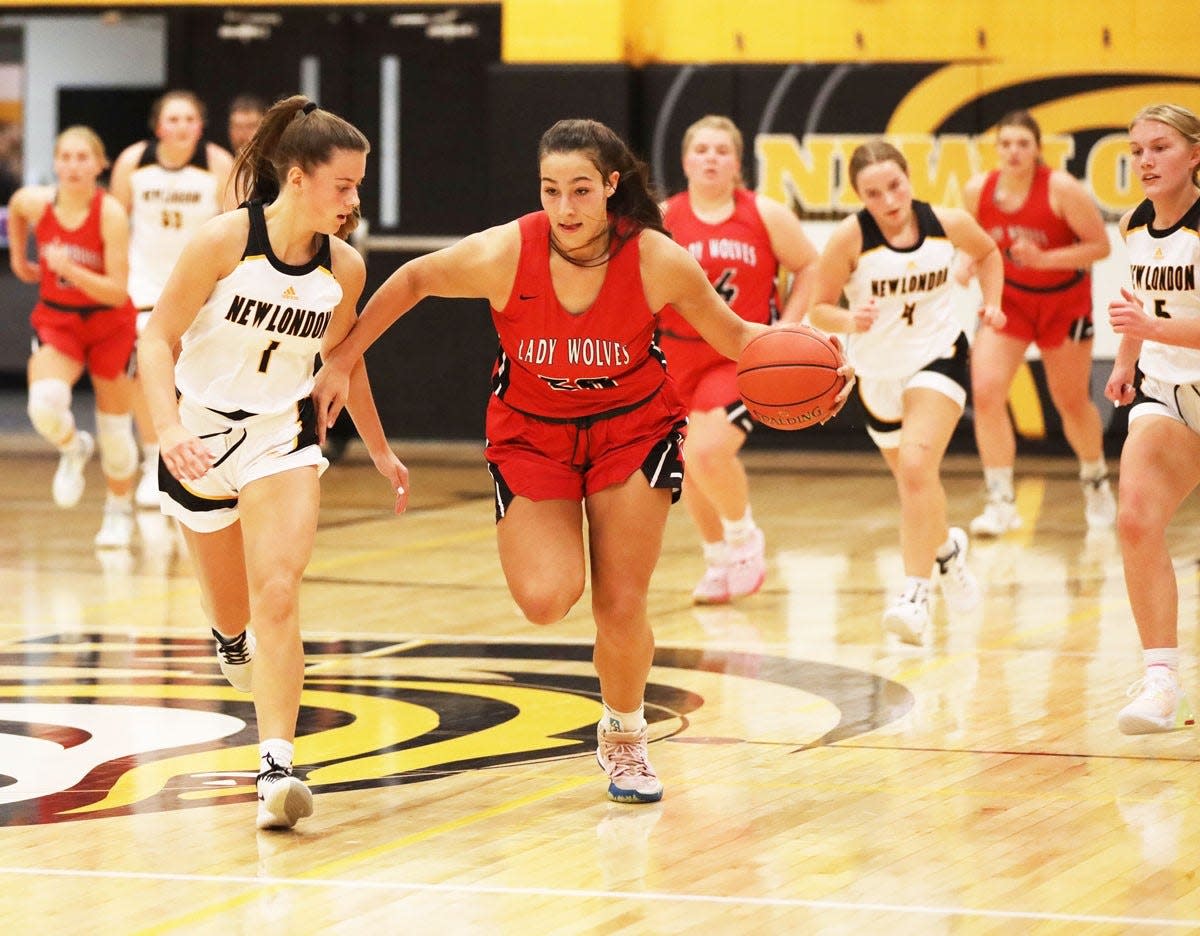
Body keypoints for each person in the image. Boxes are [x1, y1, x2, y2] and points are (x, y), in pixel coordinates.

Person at [311, 117, 851, 804]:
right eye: (551, 191)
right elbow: (414, 278)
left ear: (611, 187)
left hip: (633, 431)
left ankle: (625, 738)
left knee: (621, 600)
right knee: (545, 599)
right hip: (532, 434)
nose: (565, 209)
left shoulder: (655, 257)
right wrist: (342, 354)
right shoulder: (508, 251)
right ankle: (616, 719)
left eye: (581, 191)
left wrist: (823, 372)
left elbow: (743, 337)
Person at [137, 95, 407, 829]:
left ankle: (277, 768)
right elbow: (156, 340)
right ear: (296, 177)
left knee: (279, 591)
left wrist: (379, 450)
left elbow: (343, 361)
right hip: (196, 433)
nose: (354, 199)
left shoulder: (344, 268)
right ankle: (228, 639)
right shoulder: (223, 241)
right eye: (343, 184)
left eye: (358, 185)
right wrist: (165, 429)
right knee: (234, 617)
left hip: (279, 439)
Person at [808, 139, 1005, 646]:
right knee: (918, 489)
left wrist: (992, 303)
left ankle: (915, 594)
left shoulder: (947, 223)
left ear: (909, 179)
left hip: (939, 358)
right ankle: (947, 554)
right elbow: (818, 308)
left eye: (895, 186)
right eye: (874, 193)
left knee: (917, 470)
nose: (889, 201)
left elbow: (987, 251)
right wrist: (851, 319)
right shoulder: (849, 240)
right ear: (860, 197)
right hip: (877, 375)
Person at [659, 115, 819, 605]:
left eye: (722, 150)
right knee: (683, 464)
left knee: (709, 451)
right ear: (686, 160)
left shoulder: (765, 215)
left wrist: (788, 326)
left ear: (737, 163)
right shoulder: (662, 218)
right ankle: (717, 559)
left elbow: (809, 265)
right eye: (701, 149)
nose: (711, 158)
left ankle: (744, 536)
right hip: (674, 355)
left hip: (739, 353)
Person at [958, 109, 1116, 537]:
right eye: (1006, 143)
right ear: (996, 149)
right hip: (1010, 303)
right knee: (986, 393)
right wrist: (964, 264)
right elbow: (970, 242)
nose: (1013, 151)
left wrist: (1045, 259)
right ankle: (1000, 500)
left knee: (1069, 400)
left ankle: (1095, 479)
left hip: (1063, 305)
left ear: (1037, 149)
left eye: (1022, 144)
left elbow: (1100, 246)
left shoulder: (1060, 189)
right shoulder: (979, 189)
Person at [1104, 103, 1200, 735]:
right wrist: (1127, 358)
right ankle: (1162, 682)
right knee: (1135, 520)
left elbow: (1152, 315)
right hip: (1166, 390)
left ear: (1194, 154)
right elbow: (1138, 303)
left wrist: (1150, 328)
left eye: (1160, 147)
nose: (1146, 160)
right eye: (1137, 149)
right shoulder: (1135, 225)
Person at [7, 126, 139, 547]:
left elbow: (117, 290)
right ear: (56, 163)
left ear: (100, 164)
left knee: (116, 431)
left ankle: (119, 512)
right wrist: (19, 261)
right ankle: (73, 447)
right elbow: (15, 207)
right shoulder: (37, 202)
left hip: (109, 323)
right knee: (44, 405)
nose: (73, 165)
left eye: (84, 157)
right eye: (66, 156)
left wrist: (71, 271)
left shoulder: (110, 213)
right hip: (58, 319)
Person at [110, 90, 235, 511]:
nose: (181, 126)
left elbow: (234, 225)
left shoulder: (217, 163)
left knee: (191, 378)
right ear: (159, 125)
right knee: (143, 375)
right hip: (143, 286)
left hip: (196, 286)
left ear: (201, 126)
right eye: (173, 119)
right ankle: (153, 460)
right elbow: (112, 224)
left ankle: (197, 460)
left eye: (189, 119)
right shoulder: (133, 162)